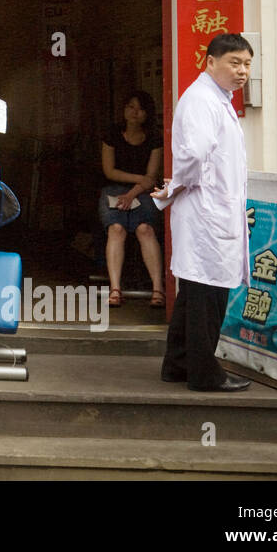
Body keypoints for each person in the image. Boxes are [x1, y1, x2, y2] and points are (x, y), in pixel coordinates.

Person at [151, 33, 254, 392]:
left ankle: (177, 364)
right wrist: (176, 186)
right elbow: (194, 155)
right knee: (206, 296)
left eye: (247, 64)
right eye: (234, 62)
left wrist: (174, 188)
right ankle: (205, 374)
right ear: (210, 62)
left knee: (195, 291)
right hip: (206, 214)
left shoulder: (215, 98)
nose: (242, 71)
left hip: (211, 211)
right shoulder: (201, 99)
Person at [99, 90, 164, 308]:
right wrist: (139, 180)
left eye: (141, 109)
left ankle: (158, 290)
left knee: (145, 229)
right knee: (115, 229)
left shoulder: (154, 139)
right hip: (115, 189)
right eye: (131, 107)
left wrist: (132, 192)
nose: (135, 112)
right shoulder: (113, 134)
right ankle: (115, 289)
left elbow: (152, 177)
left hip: (143, 192)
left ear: (148, 114)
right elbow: (109, 171)